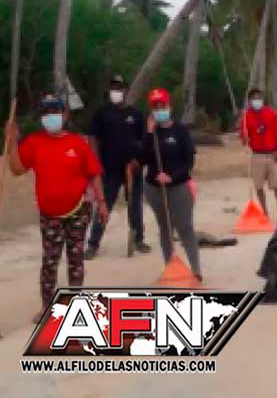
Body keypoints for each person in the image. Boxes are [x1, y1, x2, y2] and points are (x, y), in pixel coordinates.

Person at [5, 95, 108, 323]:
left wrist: (102, 203)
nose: (51, 116)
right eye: (46, 112)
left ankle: (76, 304)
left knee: (75, 258)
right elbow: (17, 169)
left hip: (79, 209)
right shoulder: (34, 142)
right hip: (50, 214)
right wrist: (12, 142)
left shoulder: (77, 143)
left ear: (65, 114)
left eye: (55, 111)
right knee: (50, 261)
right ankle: (47, 307)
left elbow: (94, 173)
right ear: (42, 117)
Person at [85, 74, 151, 259]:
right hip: (109, 169)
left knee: (135, 206)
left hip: (133, 169)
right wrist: (96, 163)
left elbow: (144, 141)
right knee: (104, 205)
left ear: (126, 90)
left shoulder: (136, 114)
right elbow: (93, 138)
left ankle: (138, 239)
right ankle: (93, 244)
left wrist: (138, 161)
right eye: (113, 88)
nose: (116, 91)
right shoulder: (102, 113)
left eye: (119, 88)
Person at [140, 88, 202, 280]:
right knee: (165, 227)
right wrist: (149, 133)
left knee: (184, 227)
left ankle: (196, 270)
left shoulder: (180, 131)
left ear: (169, 106)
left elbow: (188, 162)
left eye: (162, 106)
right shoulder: (150, 133)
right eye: (155, 107)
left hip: (179, 187)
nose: (160, 110)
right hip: (154, 188)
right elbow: (143, 158)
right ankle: (170, 266)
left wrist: (172, 177)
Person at [238, 88, 277, 216]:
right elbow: (244, 139)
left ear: (262, 99)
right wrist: (245, 137)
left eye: (259, 98)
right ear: (250, 101)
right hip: (257, 155)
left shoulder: (271, 113)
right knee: (258, 187)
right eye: (254, 98)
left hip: (272, 154)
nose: (257, 100)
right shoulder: (246, 116)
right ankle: (265, 212)